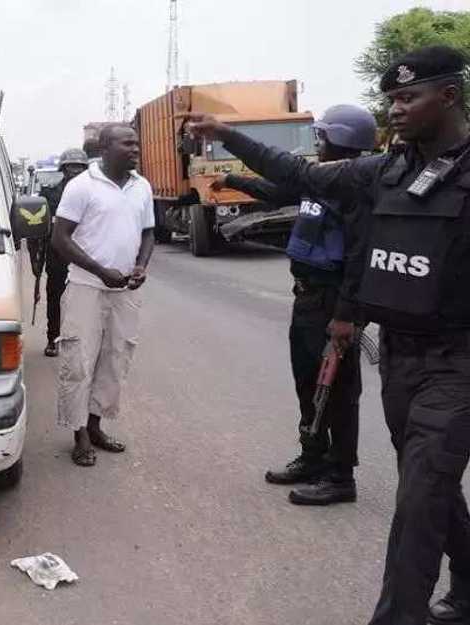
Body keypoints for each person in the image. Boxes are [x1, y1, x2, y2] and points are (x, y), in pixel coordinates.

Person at [184, 45, 470, 625]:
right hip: (400, 356)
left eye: (409, 97)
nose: (396, 109)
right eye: (391, 98)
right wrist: (226, 134)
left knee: (417, 495)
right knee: (429, 485)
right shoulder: (386, 171)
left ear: (449, 95)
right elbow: (298, 174)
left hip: (457, 359)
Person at [210, 104, 376, 506]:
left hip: (333, 301)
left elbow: (360, 257)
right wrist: (232, 178)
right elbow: (277, 189)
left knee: (337, 390)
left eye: (322, 137)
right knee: (308, 382)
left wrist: (346, 316)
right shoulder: (320, 179)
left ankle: (341, 475)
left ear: (340, 140)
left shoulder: (357, 187)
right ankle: (313, 456)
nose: (317, 143)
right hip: (307, 298)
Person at [52, 124, 155, 467]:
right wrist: (99, 271)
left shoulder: (142, 186)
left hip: (124, 290)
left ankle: (96, 425)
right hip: (86, 287)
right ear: (105, 147)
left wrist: (141, 265)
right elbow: (60, 238)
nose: (135, 148)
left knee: (116, 360)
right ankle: (78, 433)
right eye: (128, 143)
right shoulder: (82, 187)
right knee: (79, 361)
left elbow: (149, 233)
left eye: (137, 143)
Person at [36, 148, 88, 357]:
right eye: (71, 167)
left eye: (79, 167)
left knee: (88, 299)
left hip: (86, 255)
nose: (75, 171)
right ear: (63, 170)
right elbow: (39, 227)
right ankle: (53, 338)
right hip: (58, 254)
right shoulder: (49, 194)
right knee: (55, 297)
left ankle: (84, 339)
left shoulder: (94, 194)